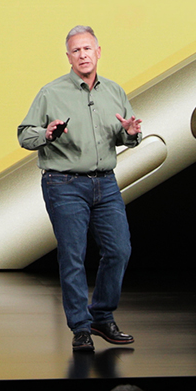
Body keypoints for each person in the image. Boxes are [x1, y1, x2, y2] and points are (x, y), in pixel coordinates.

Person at [17, 25, 142, 352]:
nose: (83, 55)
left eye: (88, 49)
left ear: (98, 52)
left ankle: (101, 315)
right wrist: (46, 134)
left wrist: (130, 133)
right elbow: (24, 135)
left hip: (105, 183)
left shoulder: (114, 91)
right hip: (64, 184)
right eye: (76, 50)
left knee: (119, 250)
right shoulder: (51, 92)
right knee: (73, 256)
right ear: (69, 57)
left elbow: (125, 135)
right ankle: (81, 328)